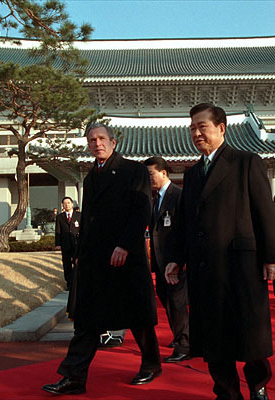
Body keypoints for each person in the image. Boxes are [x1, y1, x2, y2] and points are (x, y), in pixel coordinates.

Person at [165, 103, 275, 400]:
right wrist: (175, 257)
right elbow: (184, 222)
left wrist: (272, 255)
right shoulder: (192, 175)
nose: (196, 133)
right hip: (205, 266)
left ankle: (258, 384)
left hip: (240, 263)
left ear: (221, 127)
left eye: (202, 127)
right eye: (192, 128)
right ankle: (226, 392)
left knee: (249, 332)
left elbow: (264, 212)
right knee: (213, 335)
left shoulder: (246, 162)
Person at [42, 123, 161, 395]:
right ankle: (74, 377)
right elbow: (89, 221)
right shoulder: (91, 176)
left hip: (125, 256)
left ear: (113, 142)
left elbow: (141, 211)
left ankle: (151, 363)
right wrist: (80, 255)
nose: (97, 143)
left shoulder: (134, 170)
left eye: (101, 138)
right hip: (96, 259)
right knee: (87, 319)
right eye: (92, 140)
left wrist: (125, 246)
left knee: (137, 316)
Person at [144, 156, 190, 363]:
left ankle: (185, 344)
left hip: (175, 262)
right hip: (161, 263)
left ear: (164, 173)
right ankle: (179, 337)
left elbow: (184, 231)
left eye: (151, 174)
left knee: (177, 303)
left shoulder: (179, 196)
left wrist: (180, 259)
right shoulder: (156, 199)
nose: (149, 179)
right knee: (167, 301)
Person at [54, 196, 81, 290]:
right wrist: (57, 244)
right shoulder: (60, 217)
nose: (67, 205)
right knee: (66, 264)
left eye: (68, 203)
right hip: (65, 244)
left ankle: (77, 282)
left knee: (77, 262)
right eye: (65, 203)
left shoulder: (79, 215)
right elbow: (58, 231)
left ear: (72, 204)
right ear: (63, 205)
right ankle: (69, 283)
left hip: (77, 243)